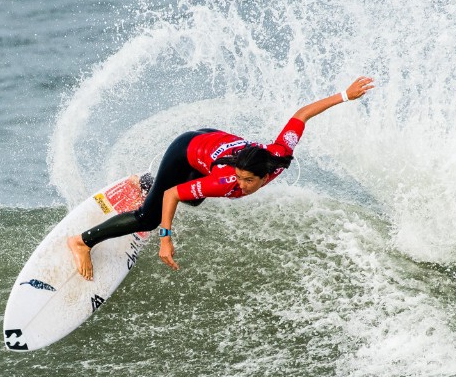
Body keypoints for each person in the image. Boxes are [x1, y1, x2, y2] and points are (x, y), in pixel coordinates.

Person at [67, 76, 375, 280]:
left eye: (247, 181)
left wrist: (346, 96)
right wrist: (165, 238)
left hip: (210, 146)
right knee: (150, 217)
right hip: (187, 148)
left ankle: (148, 183)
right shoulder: (226, 180)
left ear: (265, 174)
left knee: (197, 199)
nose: (241, 185)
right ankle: (83, 241)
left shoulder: (279, 154)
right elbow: (173, 194)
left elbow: (302, 114)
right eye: (239, 178)